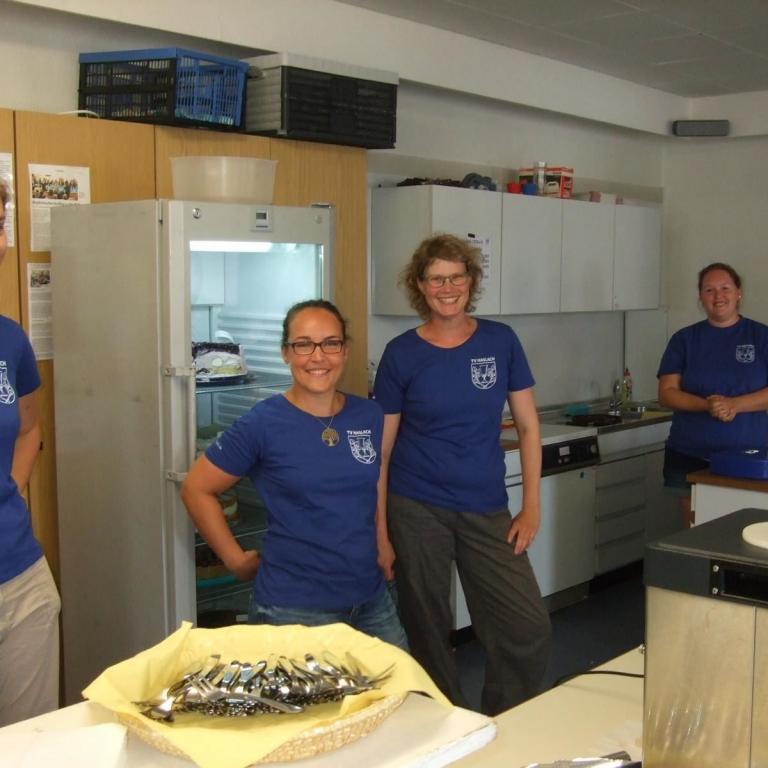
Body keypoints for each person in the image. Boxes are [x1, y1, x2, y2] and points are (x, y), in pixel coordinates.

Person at [373, 233, 551, 715]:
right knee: (427, 630)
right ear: (419, 285)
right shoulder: (401, 354)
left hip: (486, 507)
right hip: (415, 508)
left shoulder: (500, 340)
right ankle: (443, 724)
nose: (447, 288)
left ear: (471, 280)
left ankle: (504, 719)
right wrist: (381, 533)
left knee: (526, 626)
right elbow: (381, 453)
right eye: (436, 279)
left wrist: (531, 507)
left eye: (456, 277)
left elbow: (529, 427)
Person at [181, 299, 408, 650]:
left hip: (370, 597)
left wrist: (382, 541)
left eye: (330, 343)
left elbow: (374, 479)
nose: (318, 356)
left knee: (399, 683)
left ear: (345, 351)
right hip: (294, 608)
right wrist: (235, 560)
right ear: (286, 353)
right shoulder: (262, 423)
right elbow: (196, 489)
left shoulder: (368, 414)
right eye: (303, 344)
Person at [0, 179, 61, 726]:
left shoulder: (9, 338)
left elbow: (28, 428)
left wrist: (13, 488)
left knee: (30, 742)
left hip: (19, 576)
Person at [658, 262, 768, 527]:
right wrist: (707, 405)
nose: (718, 296)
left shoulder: (761, 336)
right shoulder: (684, 339)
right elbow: (667, 393)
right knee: (694, 532)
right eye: (709, 290)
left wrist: (734, 405)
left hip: (750, 460)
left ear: (738, 292)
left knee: (746, 530)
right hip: (689, 456)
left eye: (725, 288)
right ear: (700, 296)